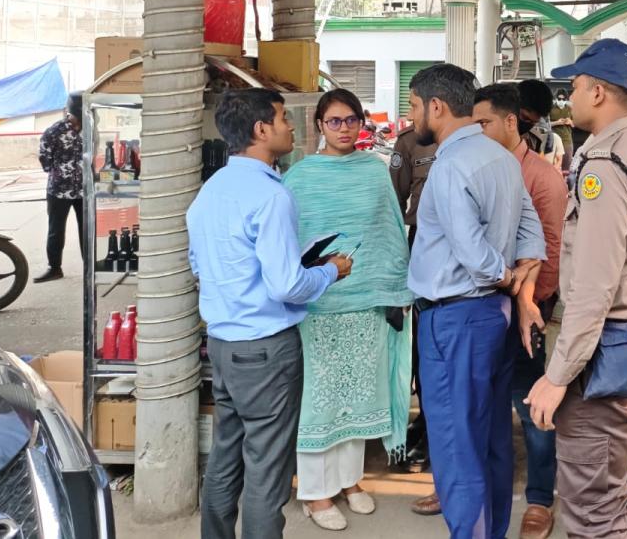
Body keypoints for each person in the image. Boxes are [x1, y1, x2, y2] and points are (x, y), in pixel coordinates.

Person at [526, 38, 627, 539]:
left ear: (597, 92)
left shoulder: (607, 163)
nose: (568, 97)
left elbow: (594, 282)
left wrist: (558, 374)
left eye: (574, 87)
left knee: (594, 507)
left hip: (609, 349)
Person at [187, 89, 353, 539]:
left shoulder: (210, 191)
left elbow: (200, 266)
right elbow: (286, 286)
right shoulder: (270, 195)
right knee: (267, 469)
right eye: (283, 118)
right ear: (261, 130)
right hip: (265, 350)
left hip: (223, 344)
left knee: (225, 457)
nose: (291, 126)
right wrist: (329, 272)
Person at [407, 63, 546, 539]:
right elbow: (531, 232)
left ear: (437, 107)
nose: (412, 117)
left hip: (455, 318)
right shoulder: (503, 157)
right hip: (492, 316)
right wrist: (519, 280)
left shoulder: (451, 165)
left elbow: (470, 250)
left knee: (456, 444)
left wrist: (506, 276)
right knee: (489, 439)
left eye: (414, 106)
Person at [281, 89, 413, 531]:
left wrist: (395, 289)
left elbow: (389, 231)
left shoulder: (374, 171)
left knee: (359, 394)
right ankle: (315, 492)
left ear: (362, 123)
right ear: (319, 125)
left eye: (351, 120)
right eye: (334, 121)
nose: (343, 128)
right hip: (318, 304)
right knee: (321, 398)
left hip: (367, 301)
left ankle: (349, 480)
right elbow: (288, 242)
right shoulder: (300, 177)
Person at [473, 82, 569, 539]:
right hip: (480, 306)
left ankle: (539, 499)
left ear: (511, 122)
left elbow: (551, 252)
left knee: (533, 407)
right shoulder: (476, 169)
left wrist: (528, 302)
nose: (477, 131)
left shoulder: (542, 177)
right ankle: (469, 487)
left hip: (524, 308)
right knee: (479, 402)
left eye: (484, 123)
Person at [388, 121, 438, 477]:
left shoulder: (477, 133)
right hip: (421, 241)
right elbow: (393, 205)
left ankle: (438, 432)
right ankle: (425, 420)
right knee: (421, 341)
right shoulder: (409, 142)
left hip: (469, 243)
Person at [34, 92, 85, 283]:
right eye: (77, 116)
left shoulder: (90, 128)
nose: (78, 120)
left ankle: (89, 268)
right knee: (56, 230)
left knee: (87, 230)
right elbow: (44, 157)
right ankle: (54, 268)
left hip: (84, 189)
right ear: (70, 112)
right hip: (59, 190)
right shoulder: (54, 131)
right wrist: (59, 172)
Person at [518, 78, 557, 159]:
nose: (527, 125)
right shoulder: (493, 133)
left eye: (533, 122)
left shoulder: (535, 140)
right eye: (525, 118)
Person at [551, 89, 575, 168]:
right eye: (559, 99)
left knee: (566, 166)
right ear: (556, 98)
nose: (561, 101)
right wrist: (556, 122)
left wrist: (570, 122)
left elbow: (575, 124)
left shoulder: (570, 109)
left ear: (566, 99)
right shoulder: (550, 109)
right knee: (553, 166)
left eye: (563, 99)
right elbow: (546, 124)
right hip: (554, 141)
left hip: (567, 141)